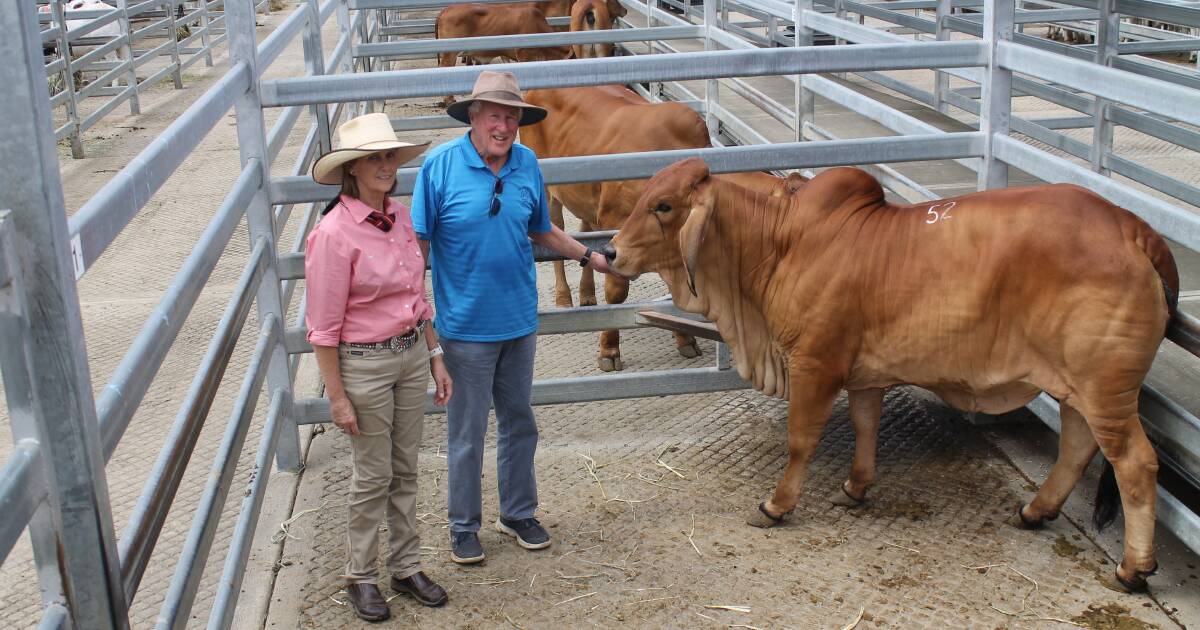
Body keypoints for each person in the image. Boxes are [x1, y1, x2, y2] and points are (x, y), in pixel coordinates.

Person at [411, 70, 617, 565]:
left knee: (519, 422)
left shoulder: (526, 163)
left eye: (512, 117)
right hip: (463, 329)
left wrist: (588, 257)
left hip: (519, 321)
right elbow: (415, 248)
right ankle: (463, 525)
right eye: (495, 116)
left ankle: (518, 512)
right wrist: (422, 317)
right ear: (475, 117)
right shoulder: (439, 167)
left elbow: (542, 229)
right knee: (465, 432)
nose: (504, 126)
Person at [305, 112, 453, 622]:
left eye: (389, 155)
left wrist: (434, 356)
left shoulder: (401, 218)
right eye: (374, 157)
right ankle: (360, 575)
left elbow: (417, 295)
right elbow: (322, 327)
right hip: (364, 363)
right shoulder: (333, 233)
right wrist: (337, 395)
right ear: (352, 169)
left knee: (405, 468)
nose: (385, 165)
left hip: (410, 353)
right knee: (373, 475)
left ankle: (405, 565)